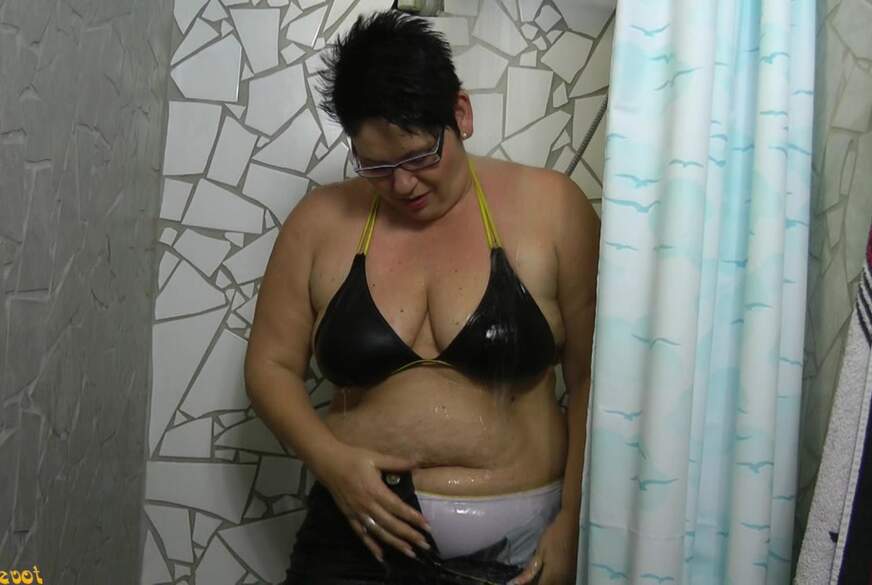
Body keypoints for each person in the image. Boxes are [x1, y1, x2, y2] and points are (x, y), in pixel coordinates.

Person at [244, 10, 600, 585]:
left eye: (417, 157)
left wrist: (574, 522)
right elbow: (270, 367)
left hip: (516, 550)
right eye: (377, 166)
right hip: (355, 537)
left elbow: (591, 380)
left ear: (460, 114)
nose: (402, 184)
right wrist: (331, 463)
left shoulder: (554, 210)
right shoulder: (319, 222)